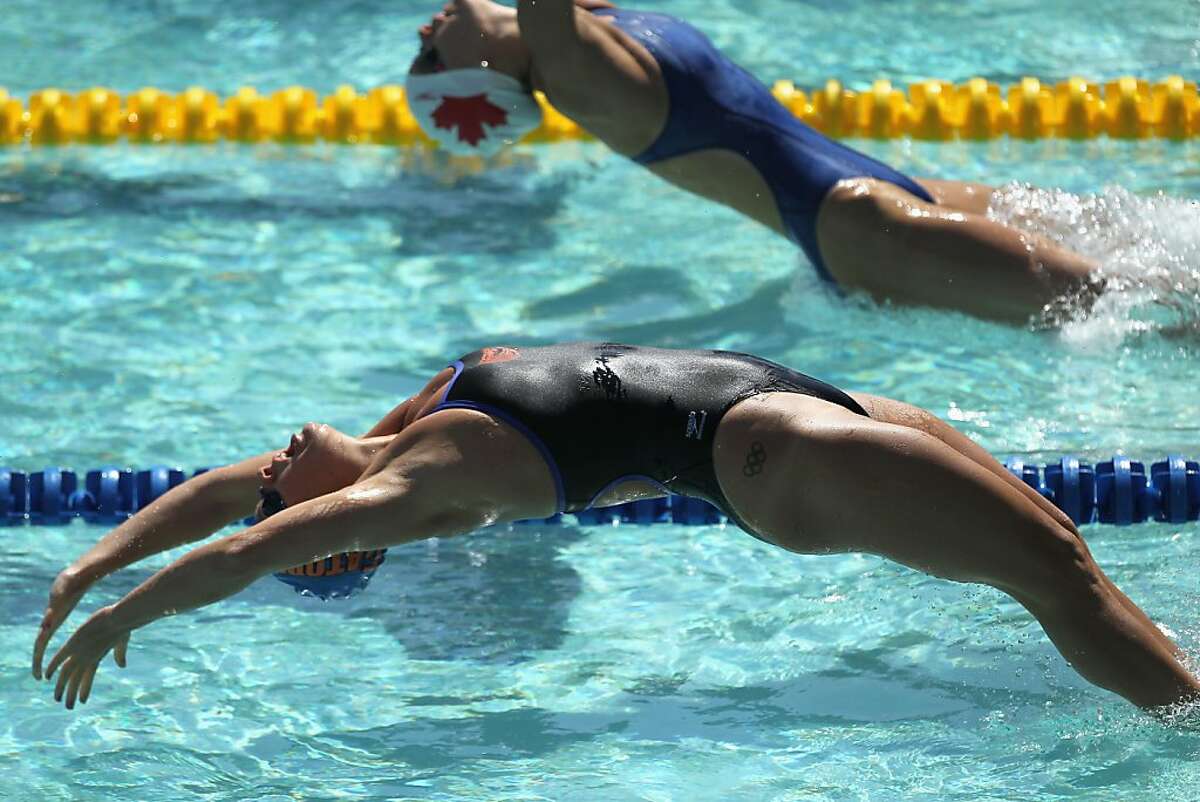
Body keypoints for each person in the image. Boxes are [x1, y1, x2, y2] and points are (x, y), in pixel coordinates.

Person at [33, 343, 1199, 712]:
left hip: (790, 395)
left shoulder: (399, 428)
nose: (270, 463)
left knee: (1057, 540)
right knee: (1056, 576)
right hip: (771, 455)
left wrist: (89, 560)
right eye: (283, 486)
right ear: (332, 526)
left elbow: (220, 502)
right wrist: (122, 618)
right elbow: (240, 547)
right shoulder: (407, 489)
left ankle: (1185, 702)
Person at [403, 0, 1102, 323]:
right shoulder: (571, 67)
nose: (424, 28)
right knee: (1138, 304)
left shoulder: (586, 28)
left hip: (882, 198)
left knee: (1142, 260)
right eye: (431, 55)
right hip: (862, 225)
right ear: (481, 75)